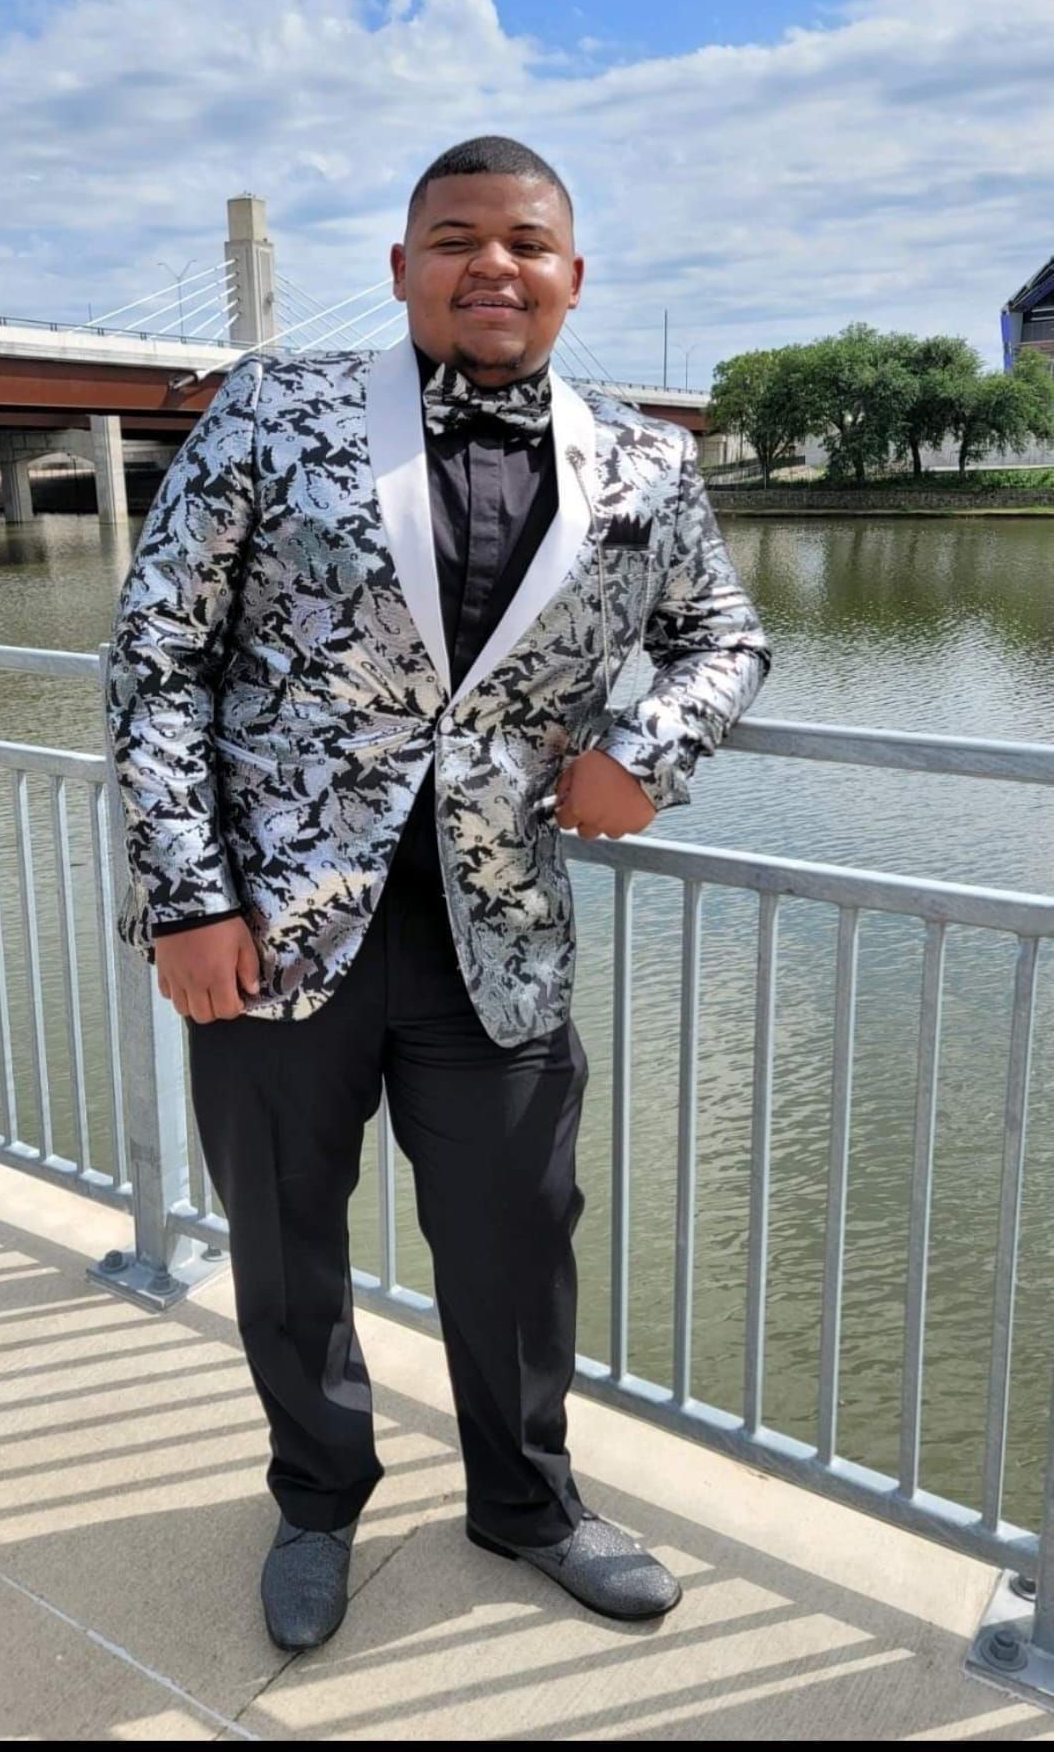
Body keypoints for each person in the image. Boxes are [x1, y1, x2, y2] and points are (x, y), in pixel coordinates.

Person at [105, 134, 772, 1651]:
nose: (494, 265)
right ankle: (317, 1497)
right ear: (403, 266)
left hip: (502, 930)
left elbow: (723, 634)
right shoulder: (273, 410)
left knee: (519, 1237)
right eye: (458, 237)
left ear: (572, 277)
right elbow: (155, 658)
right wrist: (188, 898)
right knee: (285, 1242)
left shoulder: (648, 463)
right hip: (271, 931)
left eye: (525, 242)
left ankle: (527, 1503)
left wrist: (647, 751)